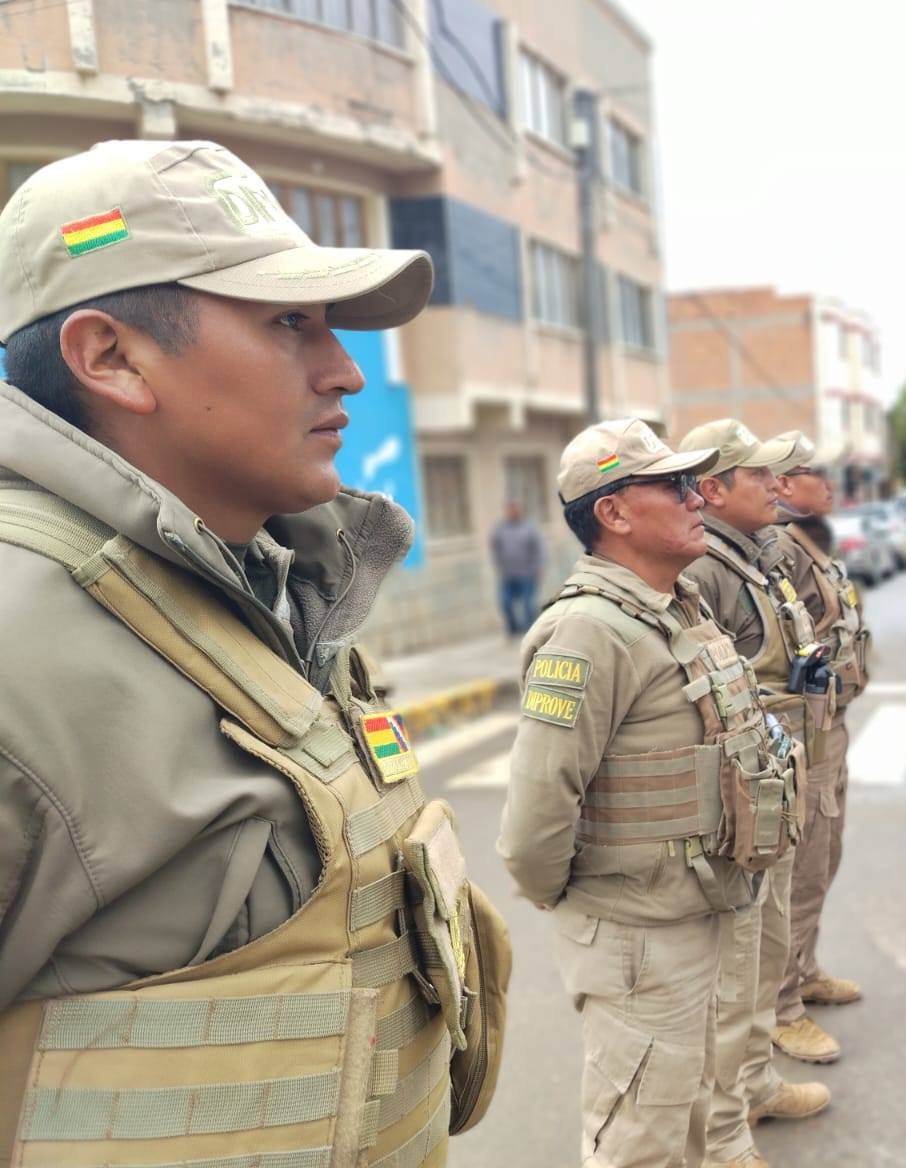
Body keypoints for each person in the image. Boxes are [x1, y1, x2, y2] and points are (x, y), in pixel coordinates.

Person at [0, 139, 510, 1164]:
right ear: (111, 358)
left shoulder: (263, 586)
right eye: (289, 323)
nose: (345, 371)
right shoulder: (21, 642)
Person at [497, 418, 800, 1168]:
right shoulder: (588, 632)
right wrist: (591, 904)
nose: (696, 497)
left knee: (684, 1122)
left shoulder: (674, 608)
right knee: (640, 1143)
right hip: (639, 937)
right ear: (614, 512)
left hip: (695, 915)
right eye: (673, 485)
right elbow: (535, 820)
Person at [677, 419, 833, 1165]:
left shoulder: (754, 556)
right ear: (712, 489)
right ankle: (723, 1133)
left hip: (777, 782)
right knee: (735, 975)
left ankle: (757, 1084)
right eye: (759, 475)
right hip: (744, 798)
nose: (777, 485)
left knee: (767, 956)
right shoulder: (706, 570)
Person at [769, 433, 872, 1065]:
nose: (830, 485)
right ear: (783, 485)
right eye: (816, 474)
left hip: (830, 723)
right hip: (804, 732)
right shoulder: (781, 549)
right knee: (804, 868)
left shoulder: (812, 542)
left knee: (825, 856)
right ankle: (781, 1006)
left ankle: (803, 970)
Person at [491, 498, 546, 636]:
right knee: (505, 603)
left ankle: (530, 632)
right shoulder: (500, 529)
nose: (512, 511)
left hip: (527, 574)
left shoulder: (529, 528)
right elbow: (495, 547)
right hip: (507, 574)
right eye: (509, 509)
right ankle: (513, 629)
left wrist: (539, 567)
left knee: (528, 604)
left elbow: (539, 549)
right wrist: (498, 564)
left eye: (515, 508)